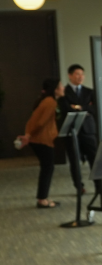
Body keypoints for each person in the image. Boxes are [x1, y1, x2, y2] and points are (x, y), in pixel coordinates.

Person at [17, 79, 63, 208]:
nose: (63, 88)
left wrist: (28, 135)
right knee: (48, 168)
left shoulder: (47, 101)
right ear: (55, 89)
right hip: (42, 140)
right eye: (60, 86)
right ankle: (42, 199)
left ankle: (42, 198)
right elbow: (40, 122)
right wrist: (28, 136)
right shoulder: (51, 102)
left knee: (47, 168)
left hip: (39, 139)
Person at [57, 64, 101, 195]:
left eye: (82, 74)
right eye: (77, 74)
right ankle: (79, 186)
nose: (80, 77)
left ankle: (100, 186)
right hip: (72, 131)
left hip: (88, 130)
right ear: (70, 75)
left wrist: (78, 107)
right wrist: (85, 107)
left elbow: (94, 109)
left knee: (95, 159)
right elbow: (66, 109)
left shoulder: (89, 91)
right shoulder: (64, 92)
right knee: (74, 160)